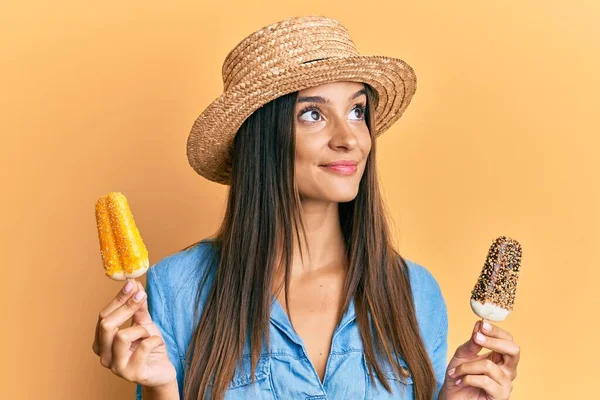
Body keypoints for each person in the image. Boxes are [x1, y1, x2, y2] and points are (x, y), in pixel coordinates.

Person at [92, 15, 520, 400]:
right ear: (264, 138)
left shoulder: (415, 294)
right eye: (313, 114)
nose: (349, 138)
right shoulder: (177, 288)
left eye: (357, 111)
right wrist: (162, 389)